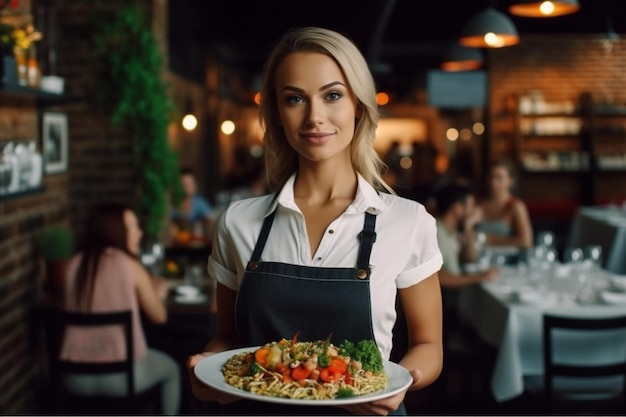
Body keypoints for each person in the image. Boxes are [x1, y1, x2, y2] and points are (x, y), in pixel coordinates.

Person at [186, 26, 444, 415]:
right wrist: (206, 368)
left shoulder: (407, 221)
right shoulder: (239, 221)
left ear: (358, 105)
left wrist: (398, 385)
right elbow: (227, 338)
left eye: (333, 95)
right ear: (276, 112)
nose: (314, 117)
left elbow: (429, 346)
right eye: (294, 99)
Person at [59, 203, 181, 415]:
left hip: (73, 377)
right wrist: (158, 294)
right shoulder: (130, 266)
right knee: (172, 369)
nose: (139, 232)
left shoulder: (71, 265)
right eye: (133, 227)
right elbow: (159, 317)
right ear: (116, 231)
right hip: (124, 379)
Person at [433, 182, 499, 288]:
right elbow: (435, 276)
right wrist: (479, 278)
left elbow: (470, 258)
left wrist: (468, 228)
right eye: (471, 206)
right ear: (457, 209)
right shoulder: (436, 232)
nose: (474, 211)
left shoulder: (451, 232)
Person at [476, 158, 533, 260]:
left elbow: (526, 241)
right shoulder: (478, 204)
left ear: (510, 181)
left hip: (508, 261)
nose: (493, 182)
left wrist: (492, 240)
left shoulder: (516, 206)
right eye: (491, 177)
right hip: (479, 261)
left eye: (499, 178)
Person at [170, 167, 216, 241]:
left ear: (195, 186)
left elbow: (213, 222)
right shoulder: (170, 204)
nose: (186, 187)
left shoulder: (200, 203)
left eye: (189, 183)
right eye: (182, 184)